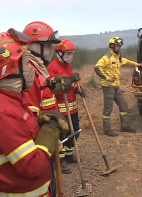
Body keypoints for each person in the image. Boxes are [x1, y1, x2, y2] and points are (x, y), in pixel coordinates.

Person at [0, 29, 68, 196]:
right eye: (26, 63)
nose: (31, 70)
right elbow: (31, 166)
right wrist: (49, 133)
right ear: (10, 68)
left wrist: (40, 124)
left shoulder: (11, 99)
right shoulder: (2, 112)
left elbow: (22, 131)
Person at [22, 21, 73, 180]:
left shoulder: (38, 68)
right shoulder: (29, 71)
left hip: (47, 137)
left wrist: (55, 86)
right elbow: (30, 116)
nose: (51, 51)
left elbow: (44, 96)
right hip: (39, 143)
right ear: (33, 46)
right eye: (48, 46)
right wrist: (50, 134)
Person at [48, 38, 86, 174]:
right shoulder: (52, 68)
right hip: (61, 109)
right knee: (63, 136)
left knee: (75, 132)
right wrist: (68, 80)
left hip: (73, 108)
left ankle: (69, 155)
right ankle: (61, 160)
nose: (70, 56)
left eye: (71, 53)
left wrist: (78, 89)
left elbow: (72, 85)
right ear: (59, 53)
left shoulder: (68, 66)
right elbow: (52, 89)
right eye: (67, 53)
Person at [94, 36, 142, 137]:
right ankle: (107, 130)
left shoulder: (118, 57)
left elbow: (127, 61)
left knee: (123, 104)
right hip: (108, 87)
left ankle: (124, 126)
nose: (119, 48)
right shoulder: (106, 57)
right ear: (111, 46)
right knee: (108, 108)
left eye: (119, 46)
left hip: (116, 86)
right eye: (117, 46)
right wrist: (107, 78)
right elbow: (97, 68)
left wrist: (137, 64)